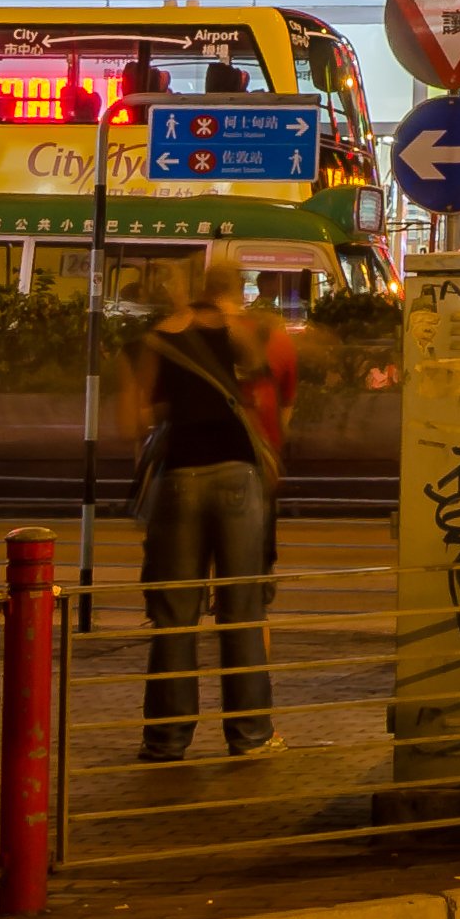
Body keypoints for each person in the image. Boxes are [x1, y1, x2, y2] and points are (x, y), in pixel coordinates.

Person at [125, 248, 298, 761]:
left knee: (174, 617)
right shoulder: (245, 331)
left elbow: (132, 420)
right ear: (232, 290)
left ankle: (166, 740)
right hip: (237, 474)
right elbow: (260, 376)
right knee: (241, 610)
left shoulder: (156, 339)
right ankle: (250, 736)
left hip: (178, 476)